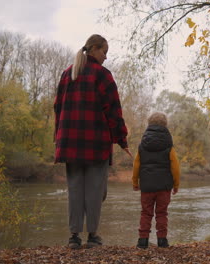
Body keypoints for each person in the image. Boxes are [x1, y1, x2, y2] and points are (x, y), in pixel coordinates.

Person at [54, 34, 132, 249]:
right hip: (96, 143)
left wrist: (58, 140)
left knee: (75, 190)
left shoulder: (66, 74)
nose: (106, 57)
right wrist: (121, 139)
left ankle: (74, 237)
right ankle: (93, 236)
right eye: (104, 52)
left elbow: (58, 109)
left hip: (69, 143)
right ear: (95, 49)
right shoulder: (103, 75)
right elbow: (113, 111)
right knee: (96, 191)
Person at [132, 112, 180, 249]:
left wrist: (135, 182)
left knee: (146, 213)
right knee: (162, 213)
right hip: (164, 186)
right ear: (165, 125)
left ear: (149, 124)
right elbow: (175, 166)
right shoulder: (168, 145)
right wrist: (176, 184)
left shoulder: (142, 145)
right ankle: (162, 241)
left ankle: (142, 241)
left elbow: (136, 165)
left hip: (147, 186)